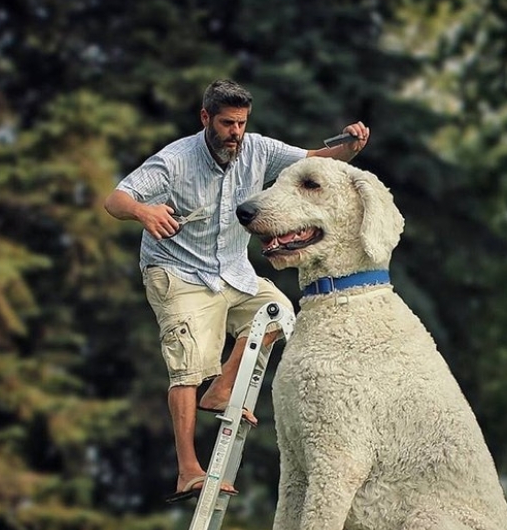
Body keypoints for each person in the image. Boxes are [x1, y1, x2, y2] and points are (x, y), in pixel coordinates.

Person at [104, 79, 369, 500]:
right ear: (206, 118)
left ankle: (224, 388)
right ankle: (188, 469)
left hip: (232, 271)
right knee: (187, 366)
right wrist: (143, 211)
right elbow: (115, 199)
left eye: (242, 123)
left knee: (279, 311)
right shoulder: (175, 160)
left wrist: (350, 149)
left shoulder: (257, 149)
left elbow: (317, 159)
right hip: (178, 272)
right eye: (227, 123)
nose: (235, 133)